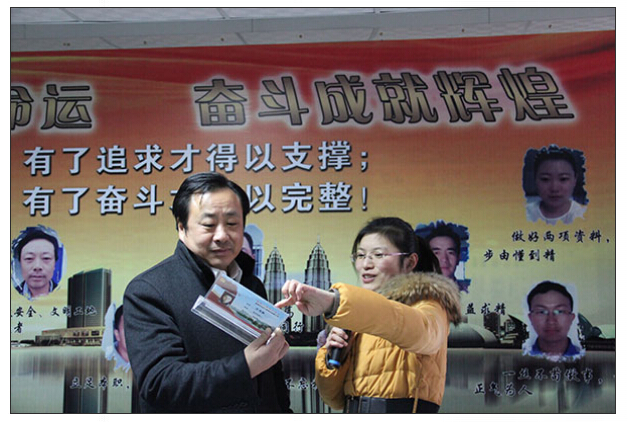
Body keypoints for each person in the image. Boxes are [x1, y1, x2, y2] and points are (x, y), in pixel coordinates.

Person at [123, 172, 291, 413]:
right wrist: (245, 366)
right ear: (182, 227)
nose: (222, 236)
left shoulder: (251, 284)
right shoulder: (148, 291)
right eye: (209, 225)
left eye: (232, 224)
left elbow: (271, 377)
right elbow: (160, 384)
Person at [277, 217, 461, 413]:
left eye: (378, 255)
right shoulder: (356, 315)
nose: (366, 264)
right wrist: (333, 357)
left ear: (409, 262)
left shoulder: (429, 303)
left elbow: (422, 334)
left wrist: (335, 302)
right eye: (361, 255)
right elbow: (334, 400)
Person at [525, 146, 587, 225]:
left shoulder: (585, 216)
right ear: (535, 179)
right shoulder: (523, 214)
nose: (554, 188)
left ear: (575, 180)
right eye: (545, 179)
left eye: (563, 179)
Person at [524, 280, 583, 361]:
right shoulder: (519, 358)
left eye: (560, 311)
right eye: (542, 312)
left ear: (571, 318)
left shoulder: (589, 358)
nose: (551, 321)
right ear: (530, 318)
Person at [11, 225, 65, 300]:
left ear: (55, 263)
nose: (37, 266)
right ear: (20, 262)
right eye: (29, 258)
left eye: (46, 258)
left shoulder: (64, 294)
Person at [425, 225, 467, 292]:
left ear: (458, 258)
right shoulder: (416, 294)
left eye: (450, 253)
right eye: (436, 253)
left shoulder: (470, 292)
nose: (444, 259)